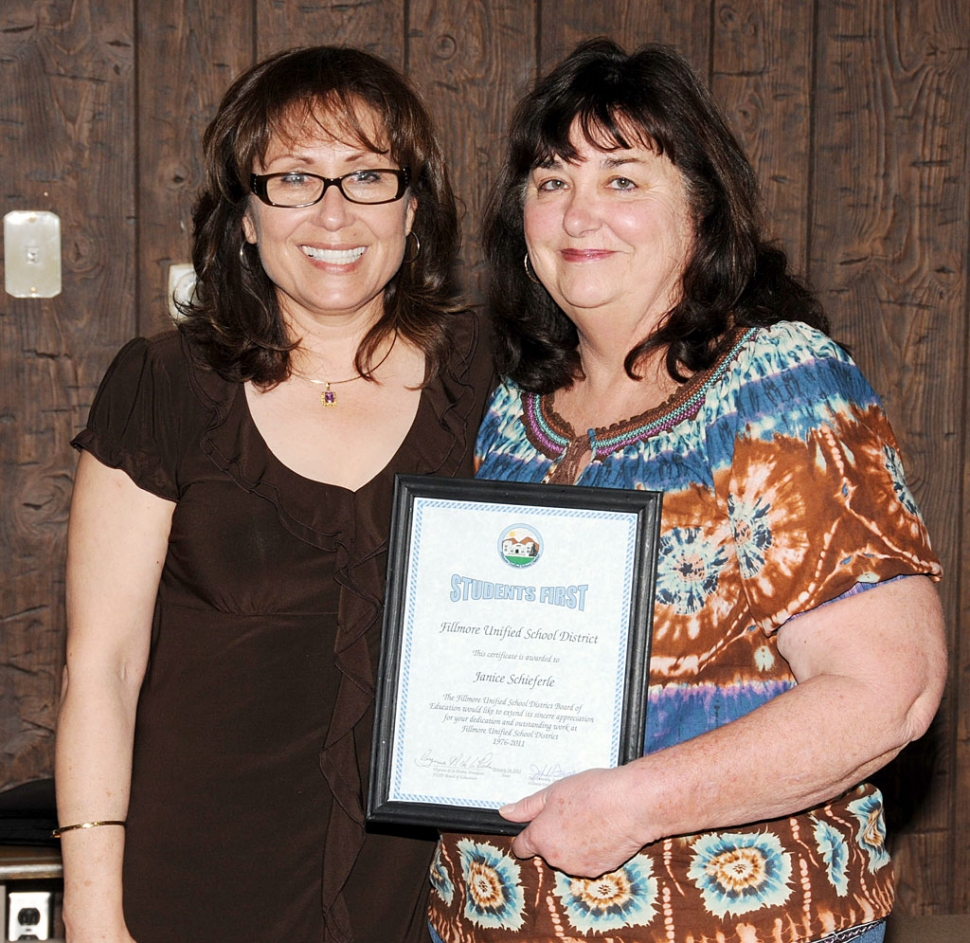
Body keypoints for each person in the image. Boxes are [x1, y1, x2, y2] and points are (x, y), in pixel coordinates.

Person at [428, 39, 946, 943]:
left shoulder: (777, 385)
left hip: (734, 921)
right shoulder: (511, 408)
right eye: (551, 181)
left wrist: (634, 803)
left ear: (702, 212)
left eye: (623, 179)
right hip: (492, 918)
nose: (579, 210)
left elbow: (886, 689)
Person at [54, 45, 491, 943]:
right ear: (245, 217)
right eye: (294, 177)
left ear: (413, 207)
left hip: (428, 896)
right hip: (194, 885)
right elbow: (102, 667)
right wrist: (95, 909)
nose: (333, 212)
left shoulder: (494, 376)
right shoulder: (163, 385)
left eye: (367, 175)